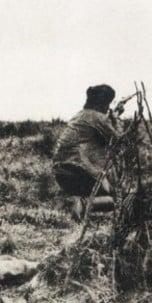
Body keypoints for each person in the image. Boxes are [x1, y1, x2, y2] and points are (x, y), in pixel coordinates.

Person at [52, 84, 121, 220]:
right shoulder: (99, 118)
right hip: (80, 173)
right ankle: (82, 203)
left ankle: (71, 201)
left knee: (105, 189)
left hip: (61, 173)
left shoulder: (79, 115)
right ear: (105, 103)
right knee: (118, 200)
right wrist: (115, 118)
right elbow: (119, 140)